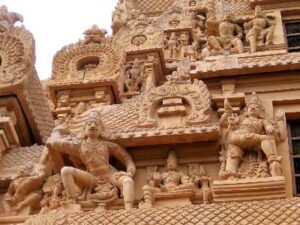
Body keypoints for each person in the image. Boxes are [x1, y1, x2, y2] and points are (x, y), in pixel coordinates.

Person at [47, 110, 136, 209]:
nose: (92, 126)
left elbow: (127, 159)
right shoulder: (79, 145)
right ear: (84, 129)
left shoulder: (109, 145)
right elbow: (55, 143)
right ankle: (73, 202)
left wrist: (129, 173)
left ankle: (129, 209)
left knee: (127, 181)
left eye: (96, 124)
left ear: (101, 129)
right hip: (92, 177)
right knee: (65, 171)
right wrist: (59, 130)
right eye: (89, 124)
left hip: (109, 175)